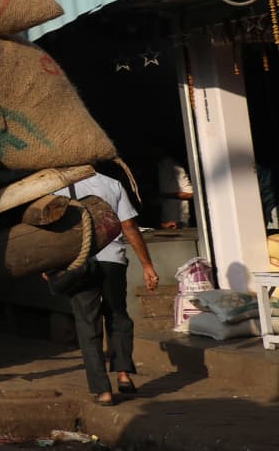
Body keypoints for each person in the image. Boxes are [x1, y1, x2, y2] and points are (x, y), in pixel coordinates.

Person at [55, 170, 159, 405]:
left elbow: (53, 231)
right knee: (118, 316)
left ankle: (103, 390)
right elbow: (129, 226)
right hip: (113, 261)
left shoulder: (57, 188)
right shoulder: (111, 184)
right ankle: (123, 375)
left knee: (87, 324)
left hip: (79, 264)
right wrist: (147, 265)